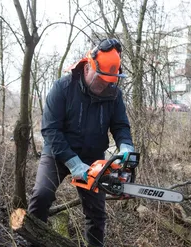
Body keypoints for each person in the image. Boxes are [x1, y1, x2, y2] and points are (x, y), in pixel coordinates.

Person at [27, 38, 134, 247]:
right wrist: (73, 163)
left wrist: (126, 147)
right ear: (87, 67)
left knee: (96, 213)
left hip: (93, 155)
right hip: (58, 153)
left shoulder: (114, 95)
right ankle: (32, 242)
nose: (105, 85)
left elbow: (120, 126)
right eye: (101, 79)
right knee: (41, 196)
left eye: (109, 81)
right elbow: (50, 129)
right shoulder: (63, 88)